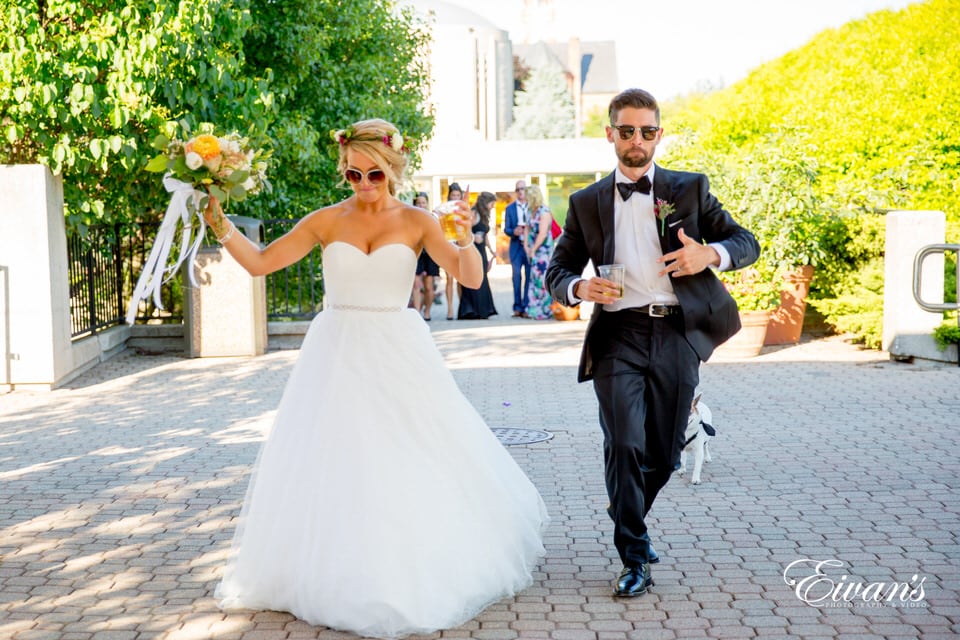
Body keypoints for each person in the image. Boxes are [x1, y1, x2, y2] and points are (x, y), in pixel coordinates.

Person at [206, 118, 548, 636]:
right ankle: (338, 568)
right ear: (343, 172)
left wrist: (467, 236)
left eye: (374, 175)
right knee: (336, 458)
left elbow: (472, 278)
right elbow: (259, 263)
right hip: (335, 352)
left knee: (407, 453)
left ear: (392, 171)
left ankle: (406, 564)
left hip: (398, 349)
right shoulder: (324, 221)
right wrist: (221, 227)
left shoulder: (417, 221)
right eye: (353, 175)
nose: (364, 186)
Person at [545, 88, 760, 598]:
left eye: (646, 131)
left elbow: (745, 242)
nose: (636, 140)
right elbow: (558, 268)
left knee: (663, 455)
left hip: (676, 333)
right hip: (617, 333)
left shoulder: (689, 190)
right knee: (623, 443)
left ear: (658, 134)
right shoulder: (585, 202)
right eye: (626, 130)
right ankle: (634, 553)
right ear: (610, 135)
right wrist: (578, 288)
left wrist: (708, 255)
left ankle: (627, 506)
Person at [457, 191, 498, 319]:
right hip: (473, 249)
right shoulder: (473, 213)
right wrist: (474, 237)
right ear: (486, 202)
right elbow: (464, 230)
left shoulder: (484, 215)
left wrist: (491, 250)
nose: (492, 206)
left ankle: (483, 310)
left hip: (482, 251)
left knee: (482, 278)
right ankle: (472, 310)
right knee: (474, 278)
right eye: (491, 203)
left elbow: (484, 236)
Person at [522, 184, 555, 320]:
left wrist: (533, 249)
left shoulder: (544, 212)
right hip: (533, 250)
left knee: (542, 280)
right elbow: (527, 228)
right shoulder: (530, 210)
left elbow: (542, 234)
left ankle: (545, 310)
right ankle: (534, 309)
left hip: (543, 251)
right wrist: (525, 245)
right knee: (534, 279)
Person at [503, 179, 531, 317]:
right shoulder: (510, 208)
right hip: (516, 247)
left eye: (523, 189)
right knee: (516, 278)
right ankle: (517, 307)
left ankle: (526, 307)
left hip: (530, 247)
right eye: (518, 189)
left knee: (529, 277)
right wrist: (513, 231)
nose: (520, 192)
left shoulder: (533, 206)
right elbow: (506, 229)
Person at [411, 191, 439, 320]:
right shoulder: (410, 218)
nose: (421, 205)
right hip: (416, 254)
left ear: (427, 204)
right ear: (415, 204)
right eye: (418, 203)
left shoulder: (433, 218)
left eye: (423, 202)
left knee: (428, 287)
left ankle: (427, 312)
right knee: (416, 285)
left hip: (430, 254)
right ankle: (417, 314)